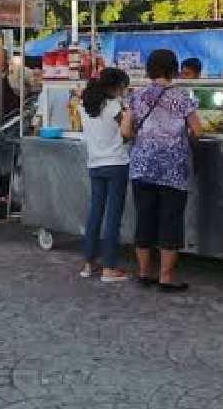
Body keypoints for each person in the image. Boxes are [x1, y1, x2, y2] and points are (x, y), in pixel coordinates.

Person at [120, 49, 202, 292]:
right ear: (174, 69)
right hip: (172, 170)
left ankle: (144, 273)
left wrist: (143, 139)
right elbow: (198, 131)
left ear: (149, 69)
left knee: (144, 219)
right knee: (170, 221)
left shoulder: (137, 95)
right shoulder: (182, 98)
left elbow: (125, 132)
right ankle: (165, 277)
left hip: (142, 167)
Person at [79, 67, 132, 283]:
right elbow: (127, 133)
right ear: (115, 86)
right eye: (123, 87)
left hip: (95, 165)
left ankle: (88, 264)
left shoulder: (86, 106)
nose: (123, 91)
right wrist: (129, 117)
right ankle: (109, 268)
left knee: (95, 214)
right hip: (116, 164)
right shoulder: (113, 106)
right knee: (113, 217)